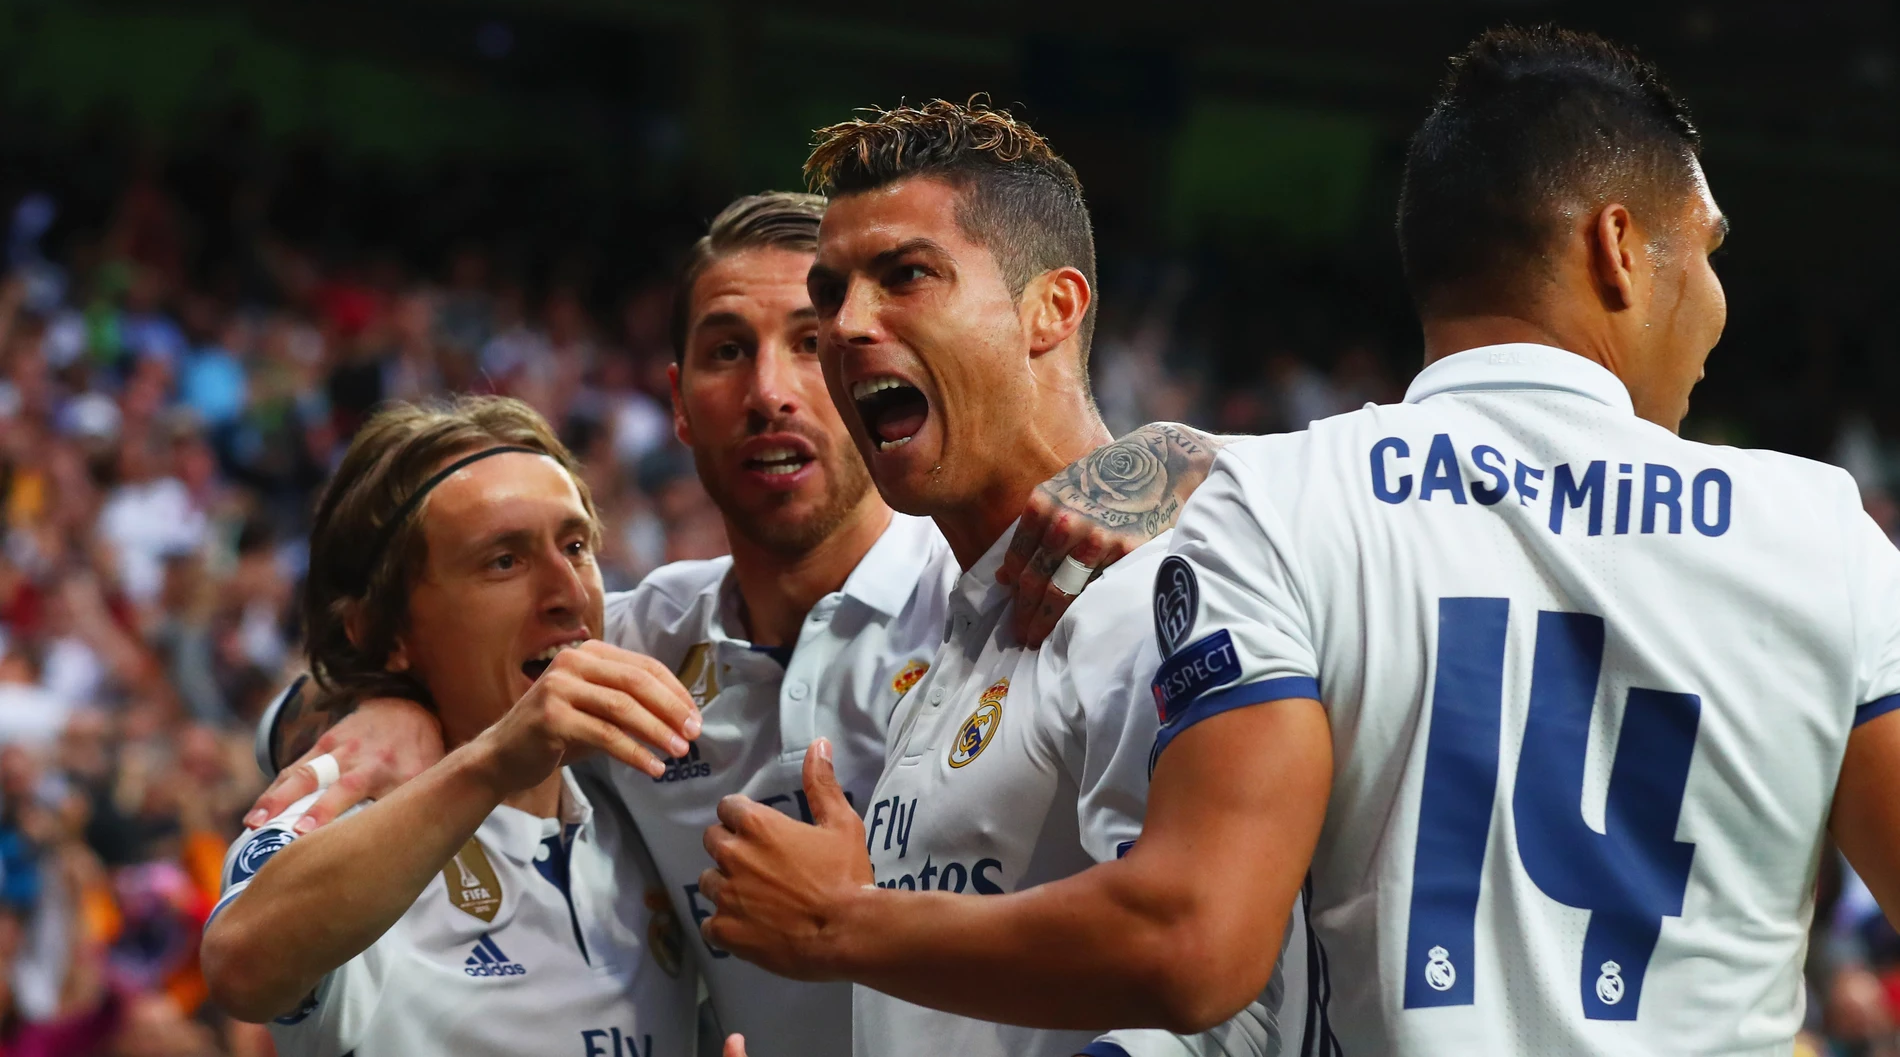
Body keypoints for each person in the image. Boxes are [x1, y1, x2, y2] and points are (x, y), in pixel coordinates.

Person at [694, 26, 1900, 1056]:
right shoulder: (1821, 534)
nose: (1718, 301)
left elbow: (1197, 945)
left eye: (900, 278)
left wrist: (839, 923)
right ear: (1618, 247)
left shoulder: (1266, 508)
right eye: (1710, 254)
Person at [241, 191, 1222, 1056]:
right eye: (726, 351)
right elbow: (465, 663)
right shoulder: (643, 642)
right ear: (676, 403)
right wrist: (378, 707)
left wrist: (1171, 461)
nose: (768, 392)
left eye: (808, 343)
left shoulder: (1020, 586)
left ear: (860, 369)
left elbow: (1288, 523)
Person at [695, 100, 1306, 1056]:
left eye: (906, 276)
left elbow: (1221, 1002)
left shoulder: (1154, 587)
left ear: (1051, 309)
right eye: (833, 291)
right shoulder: (968, 615)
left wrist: (838, 921)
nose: (847, 327)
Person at [199, 397, 703, 1056]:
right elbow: (241, 962)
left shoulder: (647, 804)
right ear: (389, 632)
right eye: (504, 560)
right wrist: (491, 760)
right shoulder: (339, 806)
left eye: (576, 545)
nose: (572, 593)